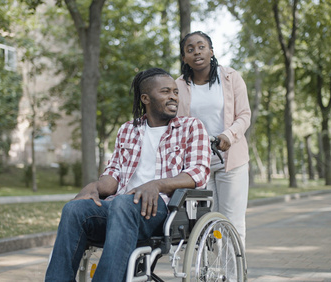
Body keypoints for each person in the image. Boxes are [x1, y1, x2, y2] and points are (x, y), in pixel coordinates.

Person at [45, 68, 211, 281]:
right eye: (166, 92)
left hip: (161, 210)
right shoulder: (128, 129)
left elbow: (198, 173)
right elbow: (113, 173)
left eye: (175, 92)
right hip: (119, 206)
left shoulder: (191, 126)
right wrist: (95, 187)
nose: (173, 97)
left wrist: (156, 185)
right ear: (145, 98)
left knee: (124, 203)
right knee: (74, 209)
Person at [176, 31, 251, 247]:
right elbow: (177, 124)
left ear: (211, 51)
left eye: (201, 46)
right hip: (198, 165)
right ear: (184, 58)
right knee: (204, 224)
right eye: (190, 49)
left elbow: (244, 115)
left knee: (232, 222)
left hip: (232, 160)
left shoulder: (230, 77)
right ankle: (213, 273)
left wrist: (228, 135)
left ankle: (234, 275)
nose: (196, 52)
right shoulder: (178, 85)